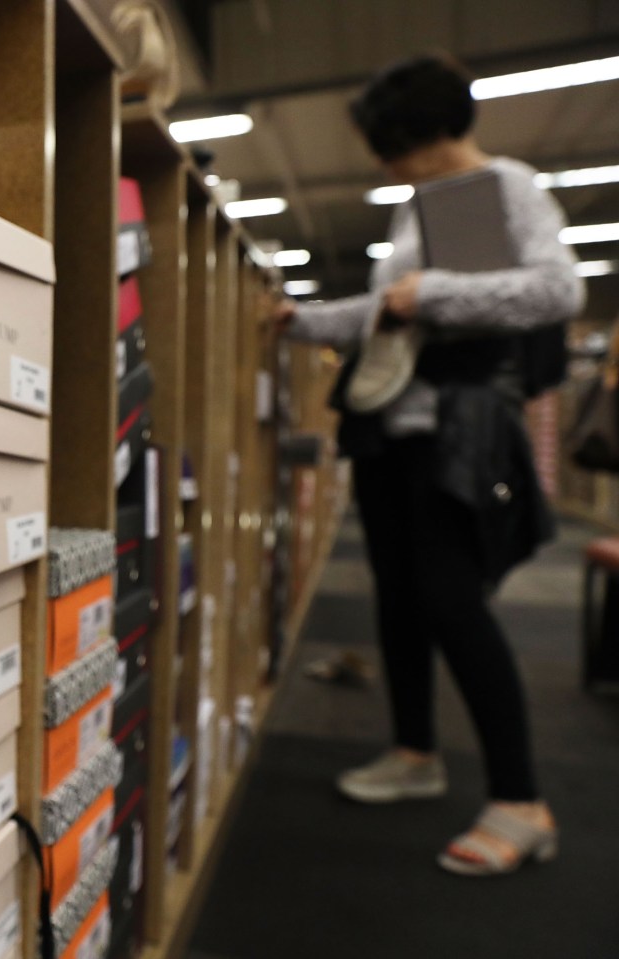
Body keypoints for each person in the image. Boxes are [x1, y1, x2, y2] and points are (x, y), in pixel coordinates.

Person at [272, 53, 583, 876]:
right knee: (400, 602)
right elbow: (388, 313)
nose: (385, 164)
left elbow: (558, 291)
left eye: (393, 146)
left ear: (434, 132)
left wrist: (434, 292)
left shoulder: (507, 184)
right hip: (391, 430)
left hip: (458, 429)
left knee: (453, 601)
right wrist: (301, 321)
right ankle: (415, 752)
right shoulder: (417, 206)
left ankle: (522, 800)